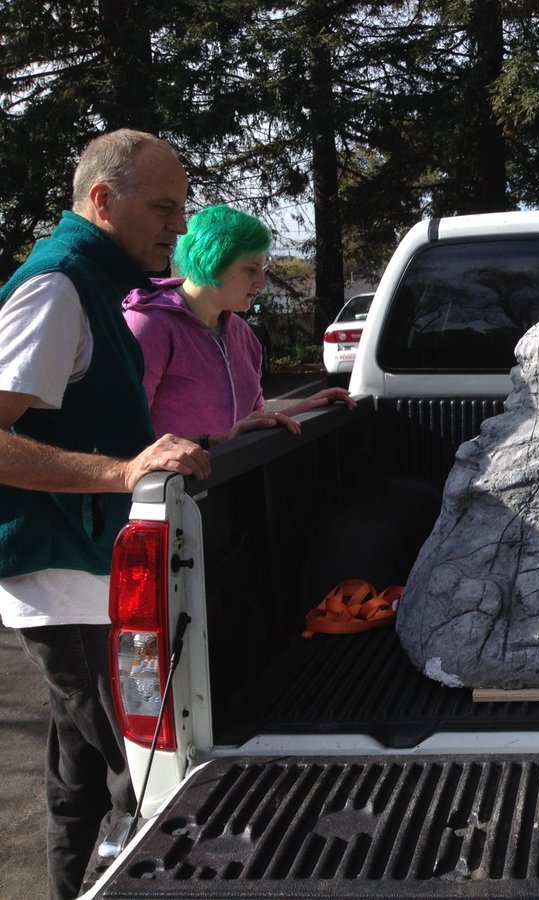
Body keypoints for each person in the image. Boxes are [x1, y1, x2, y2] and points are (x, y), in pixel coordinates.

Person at [0, 129, 211, 900]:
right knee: (142, 777)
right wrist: (124, 472)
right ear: (100, 201)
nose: (179, 227)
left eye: (181, 209)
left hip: (83, 577)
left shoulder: (91, 283)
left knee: (83, 763)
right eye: (162, 208)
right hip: (66, 581)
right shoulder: (57, 285)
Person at [123, 204, 354, 446]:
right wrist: (215, 442)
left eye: (262, 269)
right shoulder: (149, 326)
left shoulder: (242, 333)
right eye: (251, 269)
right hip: (176, 484)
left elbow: (248, 426)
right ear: (211, 260)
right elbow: (125, 436)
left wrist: (306, 407)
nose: (261, 282)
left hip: (235, 481)